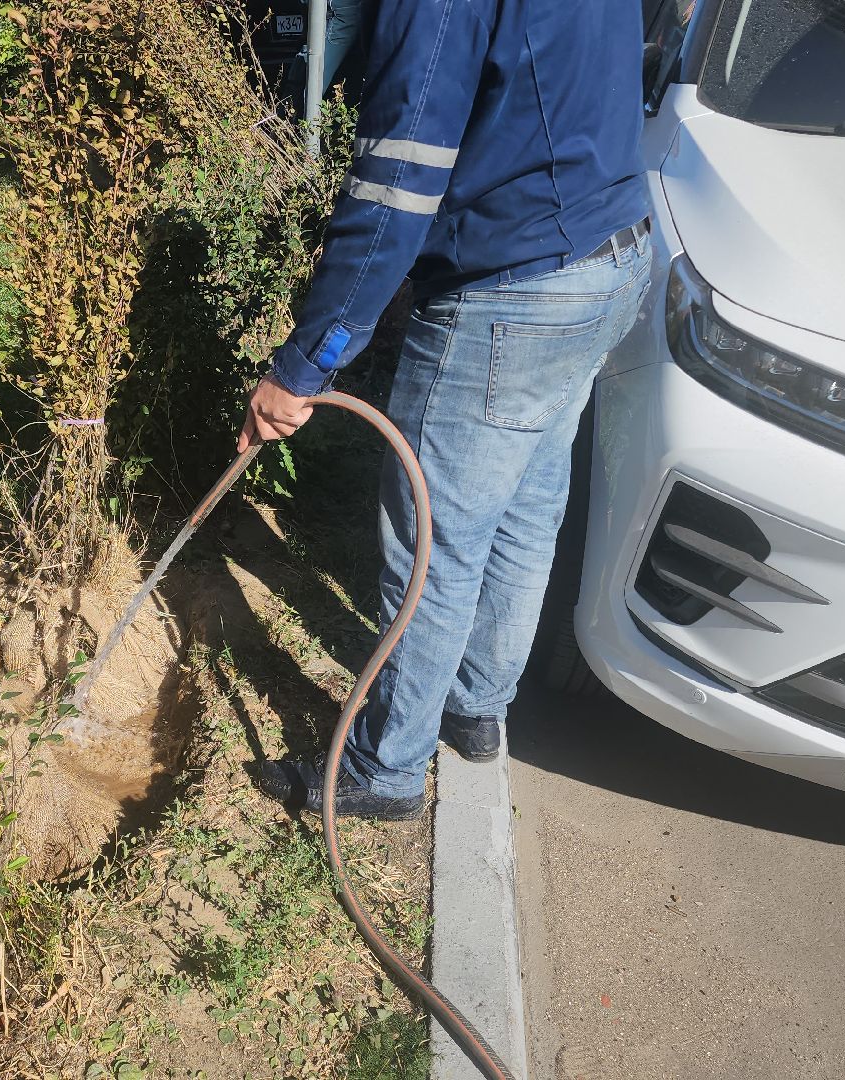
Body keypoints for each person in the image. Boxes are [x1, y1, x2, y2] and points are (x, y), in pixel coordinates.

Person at [238, 0, 653, 819]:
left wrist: (305, 365)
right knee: (528, 504)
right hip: (612, 255)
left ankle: (382, 769)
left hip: (516, 285)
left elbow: (397, 180)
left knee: (438, 538)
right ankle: (477, 706)